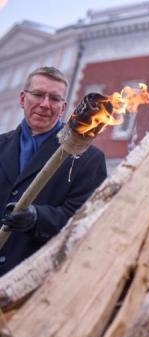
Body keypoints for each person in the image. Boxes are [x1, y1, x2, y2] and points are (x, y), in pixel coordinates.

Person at [0, 66, 107, 275]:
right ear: (23, 99)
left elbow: (85, 220)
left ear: (63, 106)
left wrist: (37, 217)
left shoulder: (88, 159)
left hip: (33, 282)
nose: (45, 104)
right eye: (38, 95)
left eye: (54, 98)